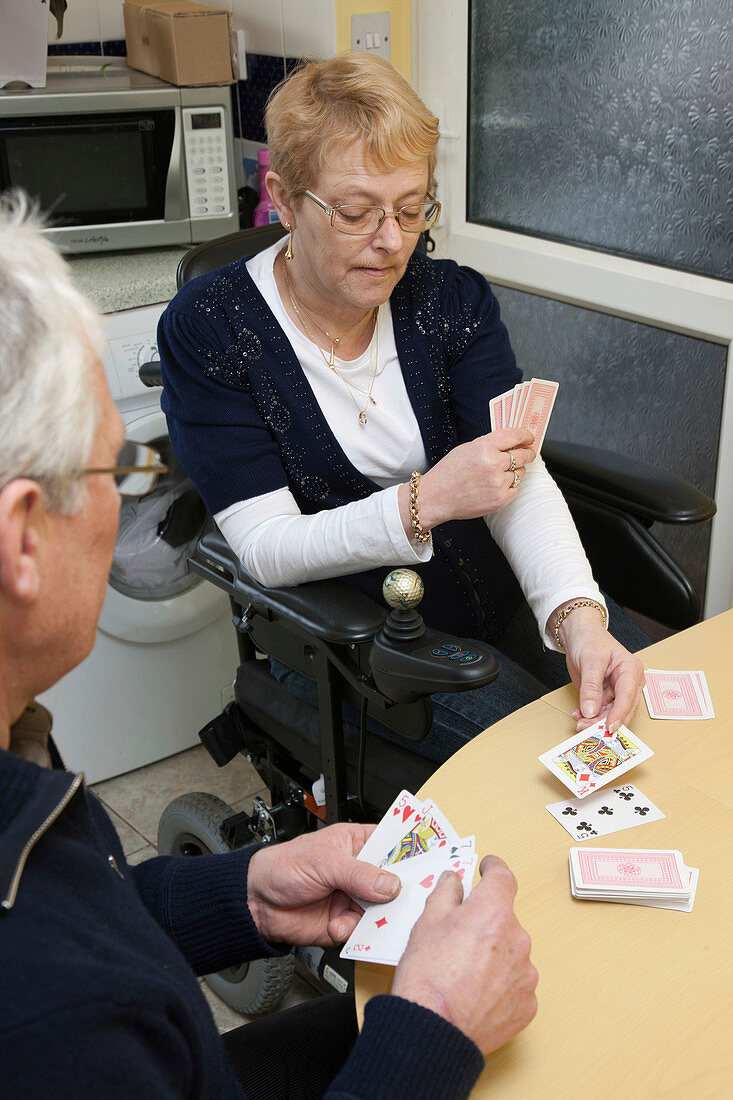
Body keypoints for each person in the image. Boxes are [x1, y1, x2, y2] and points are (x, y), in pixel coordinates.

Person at [0, 197, 537, 1098]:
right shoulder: (55, 1024)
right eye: (118, 471)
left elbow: (88, 914)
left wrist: (240, 894)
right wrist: (433, 1030)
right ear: (22, 538)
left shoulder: (23, 764)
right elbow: (72, 982)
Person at [159, 52, 647, 764]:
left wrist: (576, 616)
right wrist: (421, 503)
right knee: (553, 766)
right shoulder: (211, 328)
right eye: (356, 212)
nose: (391, 242)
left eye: (411, 208)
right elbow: (264, 547)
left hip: (499, 593)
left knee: (650, 717)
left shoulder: (448, 299)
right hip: (356, 638)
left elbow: (513, 471)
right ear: (285, 200)